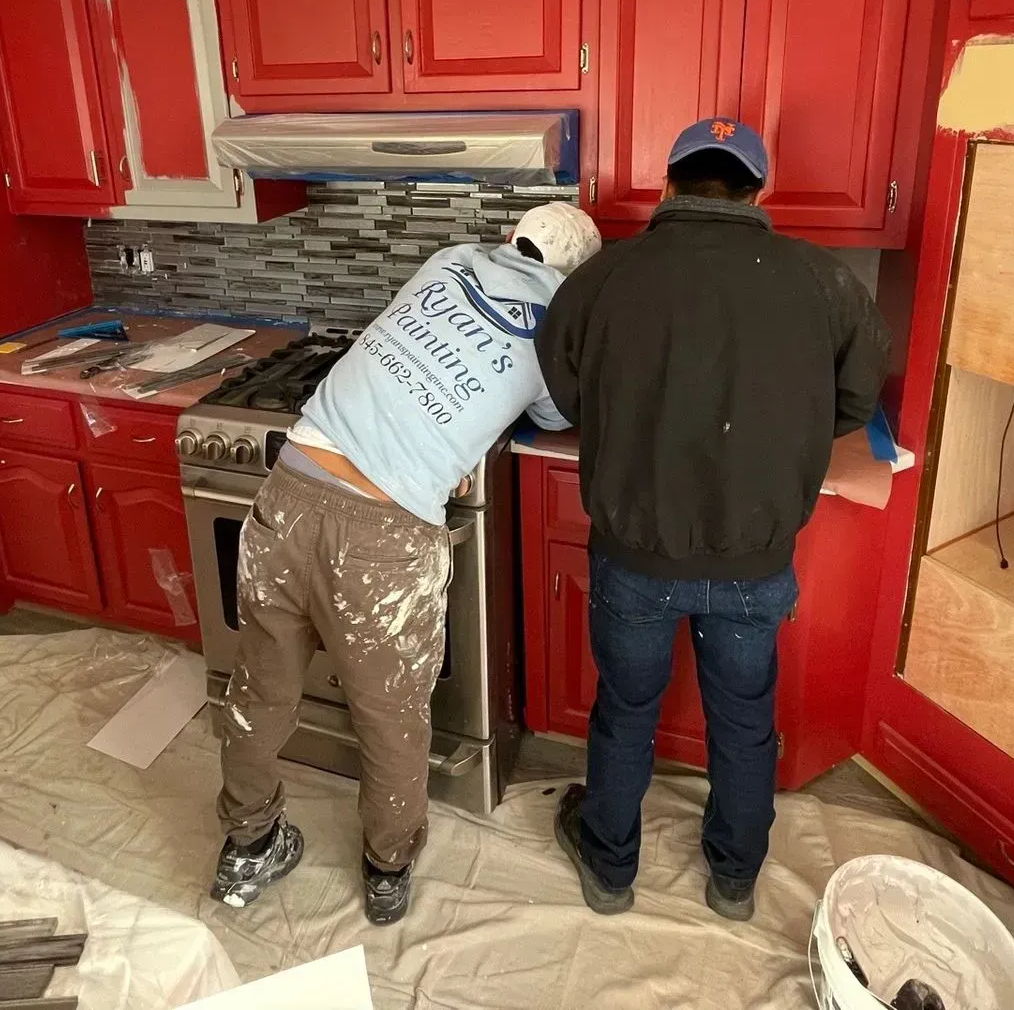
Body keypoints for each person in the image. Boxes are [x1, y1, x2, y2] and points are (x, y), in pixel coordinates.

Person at [211, 199, 602, 925]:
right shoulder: (561, 322)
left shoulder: (449, 261)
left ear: (508, 237)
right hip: (382, 539)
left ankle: (248, 842)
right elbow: (553, 416)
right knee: (390, 719)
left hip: (288, 492)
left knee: (259, 691)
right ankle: (387, 869)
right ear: (577, 277)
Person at [535, 118, 889, 922]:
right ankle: (734, 880)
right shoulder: (826, 284)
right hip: (754, 560)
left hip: (634, 555)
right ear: (758, 192)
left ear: (668, 185)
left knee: (625, 710)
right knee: (744, 719)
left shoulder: (601, 279)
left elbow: (562, 397)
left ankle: (610, 872)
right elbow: (853, 404)